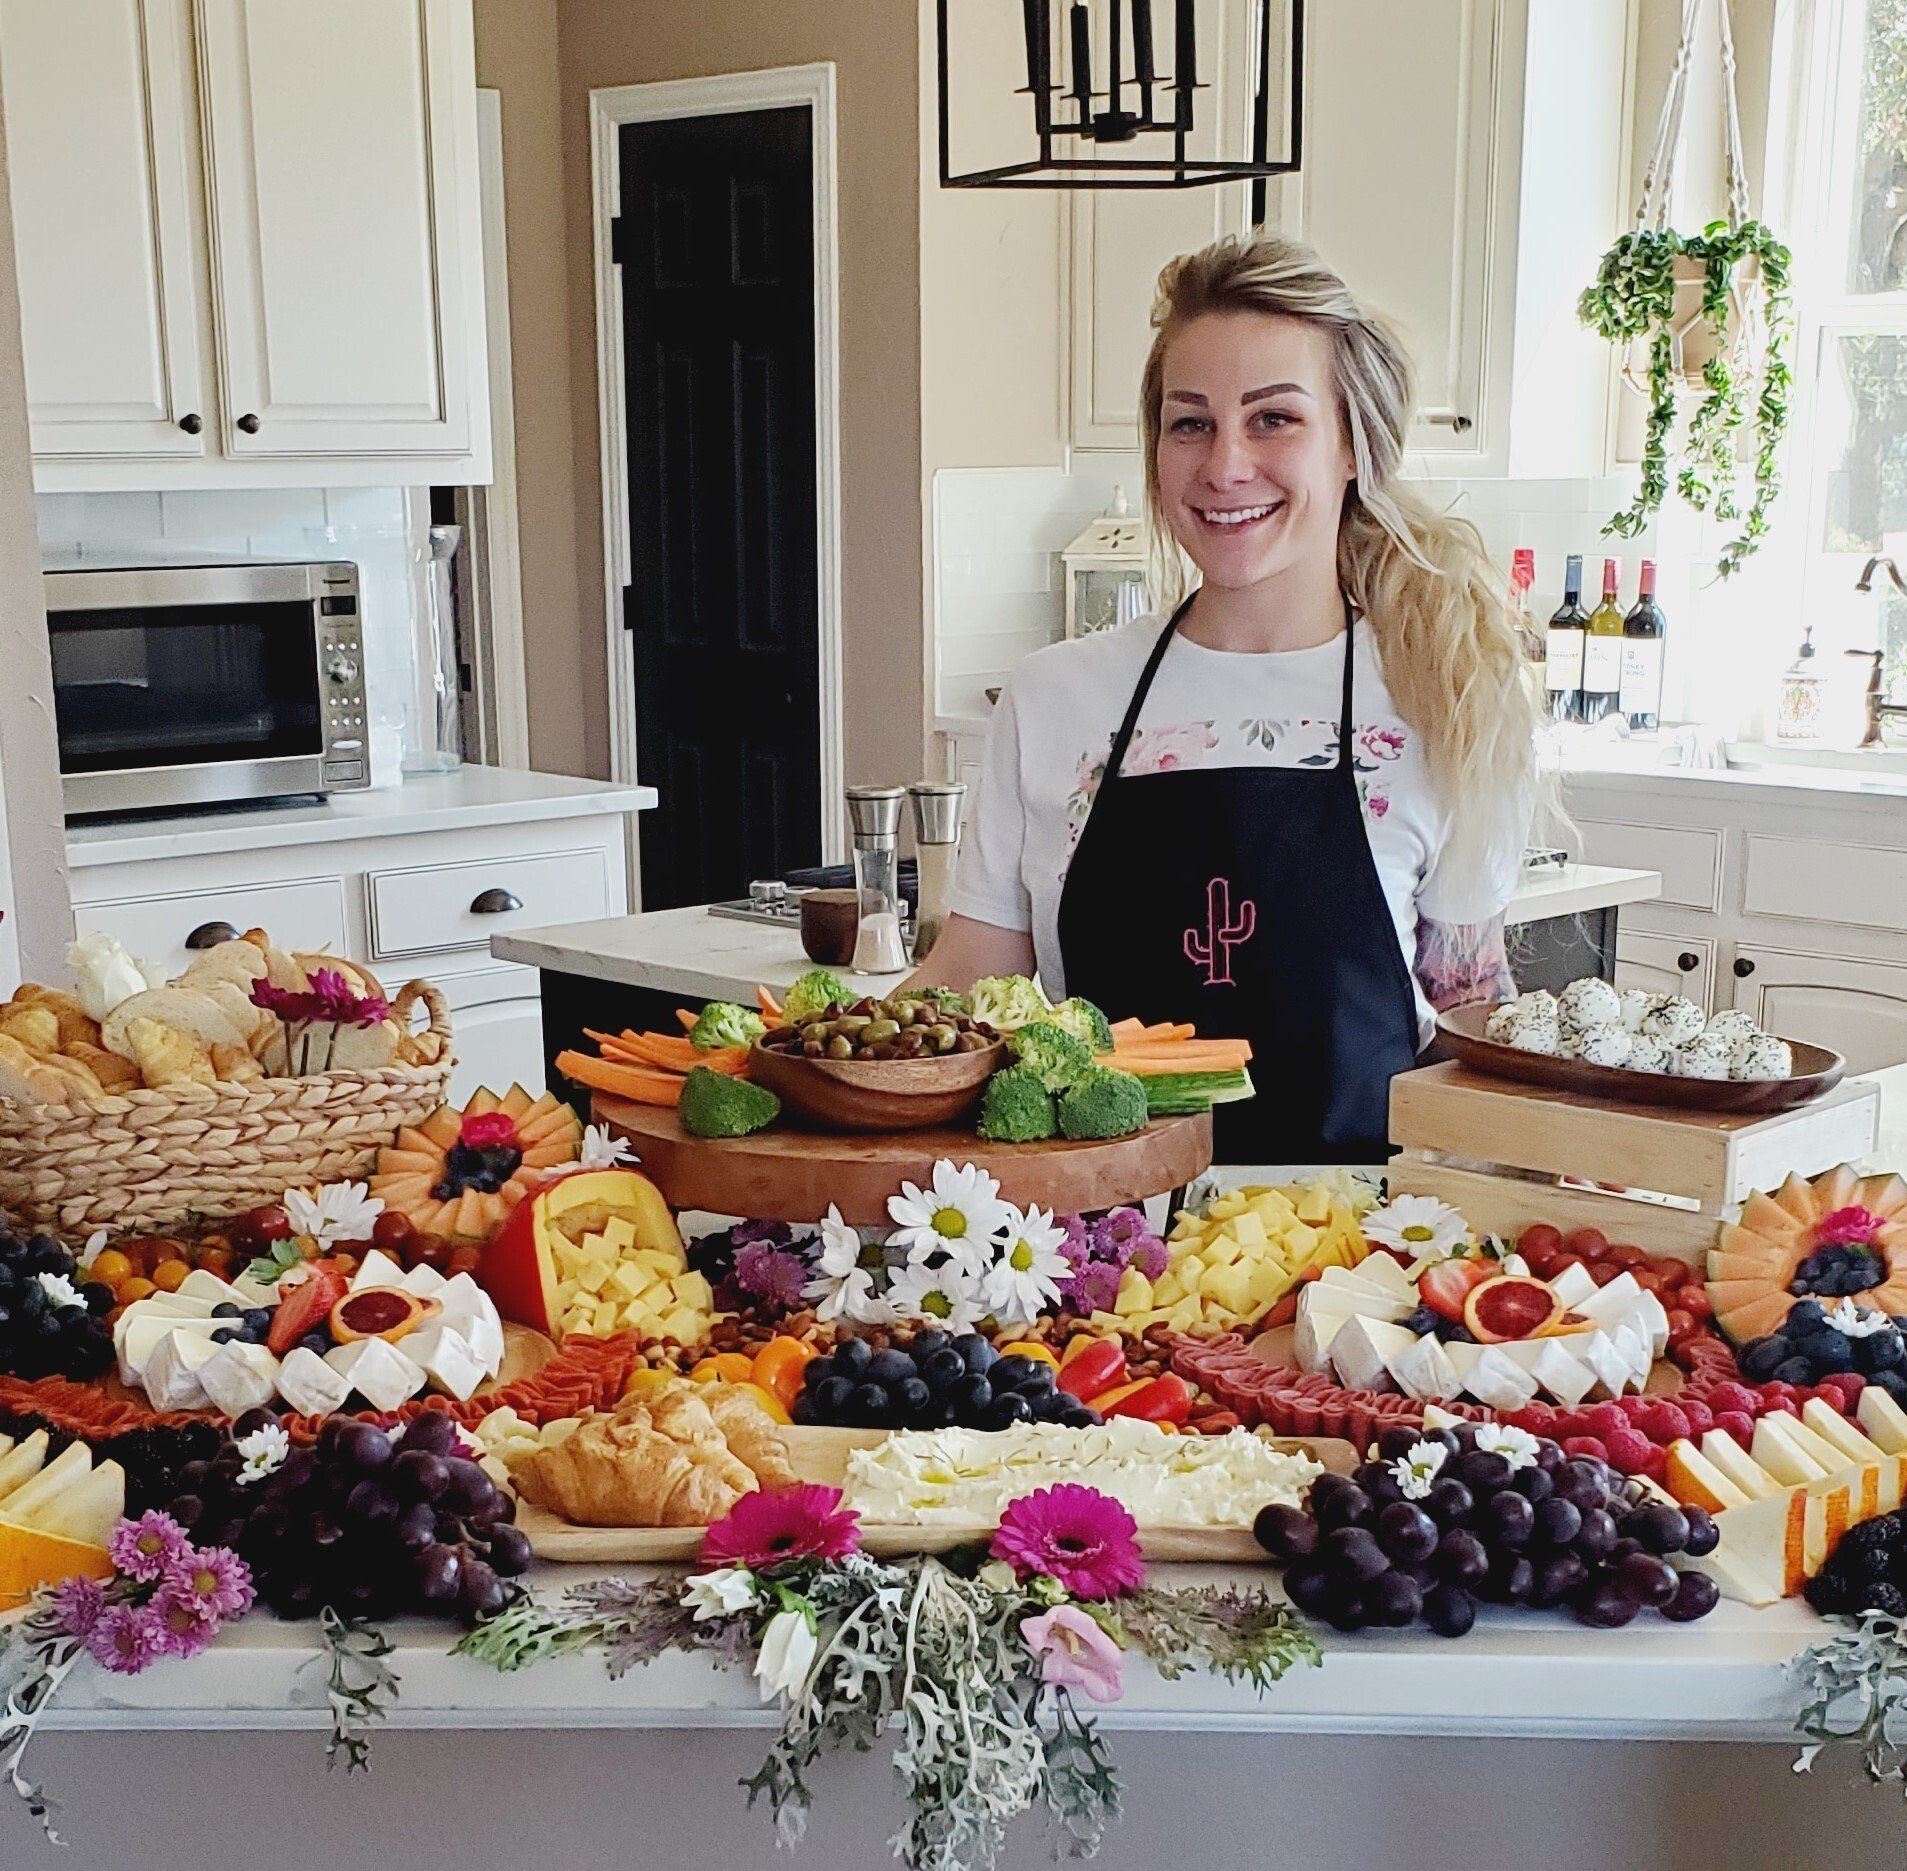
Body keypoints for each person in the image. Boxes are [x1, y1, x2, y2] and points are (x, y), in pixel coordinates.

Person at [912, 232, 1540, 1164]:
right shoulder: (1054, 699)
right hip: (1096, 1252)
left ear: (1354, 447)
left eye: (1274, 419)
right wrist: (795, 1056)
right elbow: (972, 986)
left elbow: (1469, 1018)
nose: (1225, 466)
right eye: (1190, 422)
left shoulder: (1443, 699)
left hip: (1356, 1261)